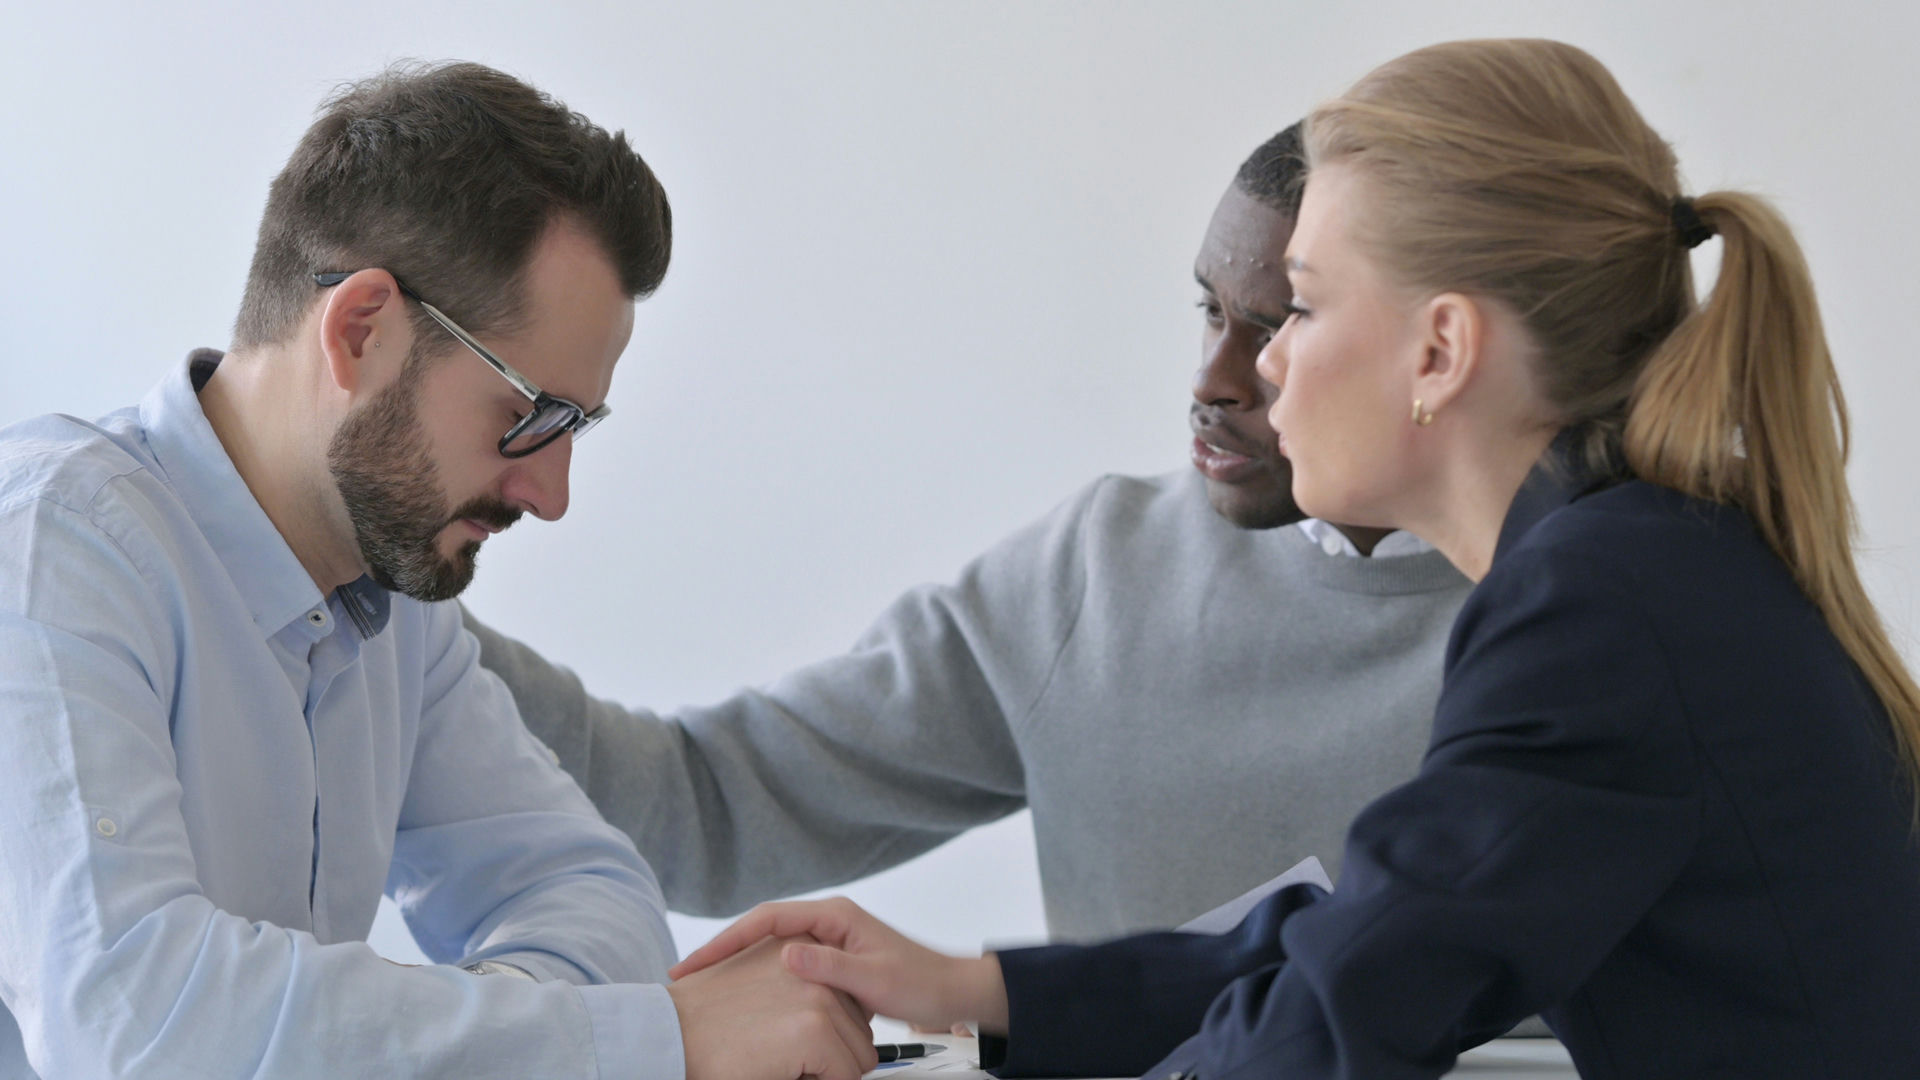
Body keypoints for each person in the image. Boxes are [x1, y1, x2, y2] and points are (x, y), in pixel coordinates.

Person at [671, 38, 1920, 1079]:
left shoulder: (1596, 607)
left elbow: (1345, 1021)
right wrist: (975, 989)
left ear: (1439, 353)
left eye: (1301, 309)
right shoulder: (1646, 559)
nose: (1256, 367)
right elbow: (1371, 936)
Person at [0, 62, 877, 1080]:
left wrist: (494, 1030)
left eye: (577, 428)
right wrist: (650, 1039)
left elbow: (598, 894)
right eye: (529, 418)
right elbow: (143, 1029)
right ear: (361, 330)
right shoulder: (54, 550)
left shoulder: (392, 604)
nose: (551, 493)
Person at [463, 123, 1474, 942]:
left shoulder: (1588, 605)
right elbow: (709, 806)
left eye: (1280, 326)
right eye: (1210, 311)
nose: (1212, 380)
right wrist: (400, 609)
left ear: (1436, 349)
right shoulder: (1102, 574)